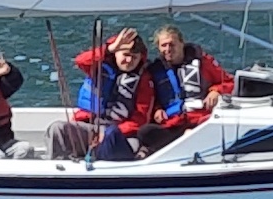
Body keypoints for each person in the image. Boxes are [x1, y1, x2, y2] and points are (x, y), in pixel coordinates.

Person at [63, 25, 184, 161]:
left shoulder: (144, 81)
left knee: (111, 135)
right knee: (58, 129)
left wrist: (111, 132)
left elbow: (140, 118)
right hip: (92, 126)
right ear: (116, 53)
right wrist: (110, 48)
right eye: (125, 55)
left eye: (134, 57)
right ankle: (58, 168)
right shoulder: (98, 67)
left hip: (122, 134)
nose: (129, 61)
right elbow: (80, 61)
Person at [149, 24, 233, 120]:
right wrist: (157, 109)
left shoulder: (202, 61)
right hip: (171, 121)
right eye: (164, 45)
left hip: (201, 117)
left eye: (172, 44)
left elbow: (228, 81)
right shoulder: (155, 70)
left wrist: (216, 91)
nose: (168, 49)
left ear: (182, 43)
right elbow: (151, 98)